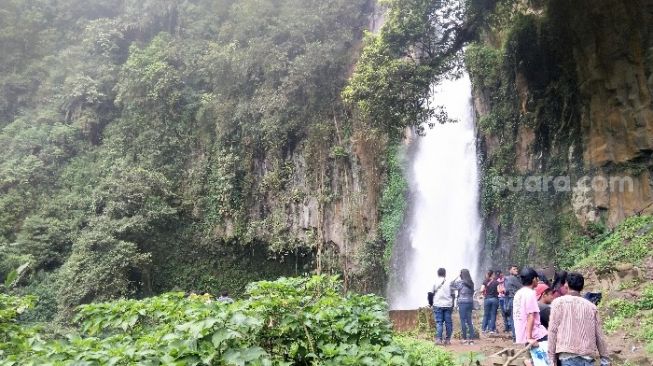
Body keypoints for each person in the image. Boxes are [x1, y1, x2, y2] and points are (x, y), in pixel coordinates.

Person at [548, 273, 610, 366]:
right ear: (581, 287)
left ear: (566, 285)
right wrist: (605, 359)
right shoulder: (591, 307)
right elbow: (599, 335)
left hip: (567, 355)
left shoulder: (558, 303)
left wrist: (551, 359)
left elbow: (553, 331)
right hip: (587, 357)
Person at [513, 267, 549, 365]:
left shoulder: (518, 293)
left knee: (533, 357)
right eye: (537, 279)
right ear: (533, 279)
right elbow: (530, 316)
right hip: (534, 334)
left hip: (521, 333)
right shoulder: (530, 293)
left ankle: (529, 362)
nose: (538, 281)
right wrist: (530, 338)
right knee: (546, 358)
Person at [432, 268, 455, 345]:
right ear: (445, 274)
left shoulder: (434, 282)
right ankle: (448, 340)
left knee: (439, 322)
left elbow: (431, 293)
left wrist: (431, 303)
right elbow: (453, 294)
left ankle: (439, 339)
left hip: (437, 304)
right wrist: (453, 304)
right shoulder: (450, 282)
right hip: (448, 305)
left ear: (438, 274)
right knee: (448, 323)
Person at [453, 269, 476, 345]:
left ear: (461, 275)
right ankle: (472, 339)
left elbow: (451, 285)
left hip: (462, 303)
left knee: (463, 320)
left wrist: (457, 277)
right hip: (470, 302)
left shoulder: (460, 283)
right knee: (469, 321)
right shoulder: (471, 283)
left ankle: (464, 339)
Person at [504, 265, 521, 340]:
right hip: (514, 299)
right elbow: (522, 287)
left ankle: (516, 337)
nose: (516, 270)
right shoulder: (512, 278)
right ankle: (516, 337)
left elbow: (506, 291)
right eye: (514, 269)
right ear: (509, 271)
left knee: (513, 319)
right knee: (515, 319)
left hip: (512, 299)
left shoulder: (509, 279)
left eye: (517, 269)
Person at [481, 270, 499, 334]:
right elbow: (499, 290)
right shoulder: (496, 282)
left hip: (487, 299)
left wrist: (484, 294)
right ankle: (491, 330)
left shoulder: (485, 281)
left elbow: (481, 290)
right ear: (492, 275)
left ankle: (483, 329)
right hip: (494, 299)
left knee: (486, 315)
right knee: (493, 315)